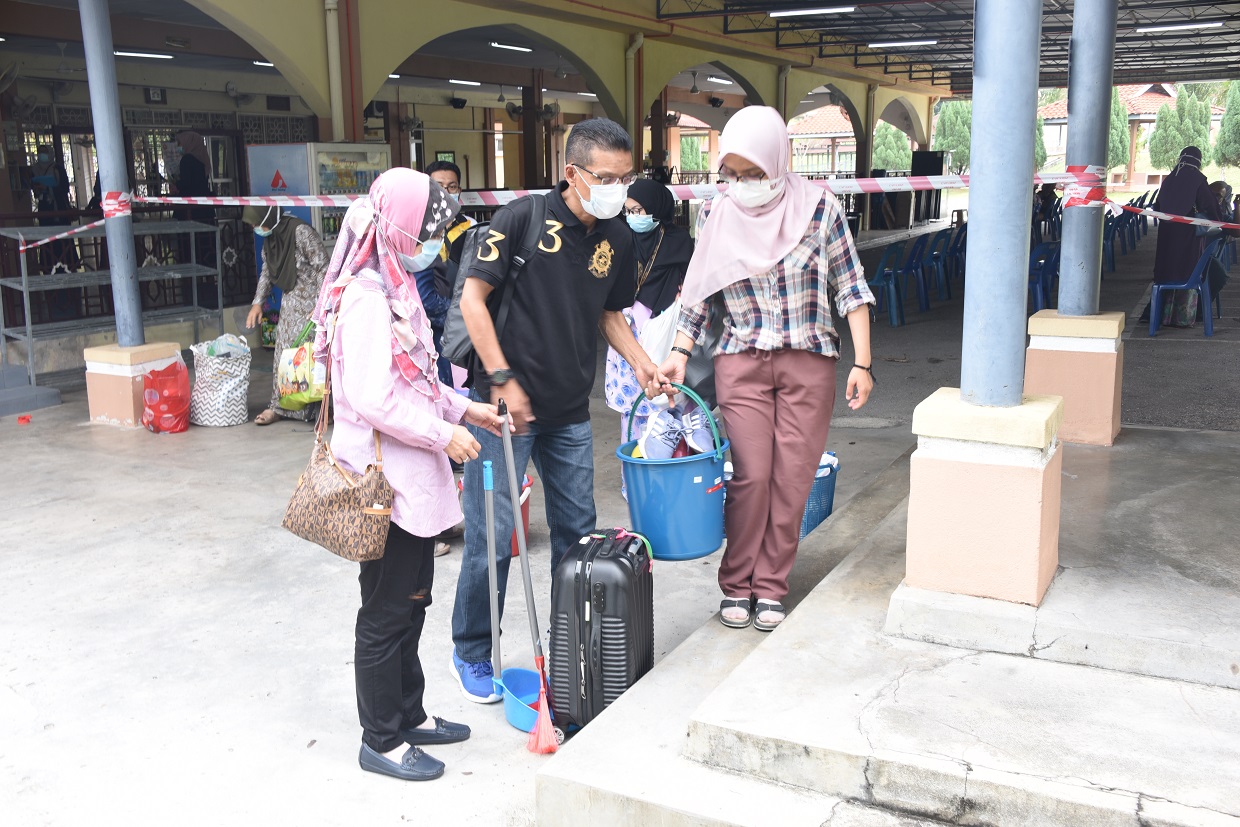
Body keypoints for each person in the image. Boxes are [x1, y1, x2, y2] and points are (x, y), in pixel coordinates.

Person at [448, 118, 666, 702]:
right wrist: (501, 379)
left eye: (626, 178)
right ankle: (473, 649)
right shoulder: (519, 219)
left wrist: (643, 364)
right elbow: (473, 300)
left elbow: (609, 314)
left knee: (577, 537)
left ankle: (570, 649)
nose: (619, 189)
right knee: (493, 535)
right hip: (503, 414)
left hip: (569, 412)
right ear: (572, 173)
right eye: (607, 178)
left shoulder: (618, 238)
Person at [308, 168, 506, 782]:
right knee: (387, 611)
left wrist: (464, 408)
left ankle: (409, 713)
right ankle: (381, 738)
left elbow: (416, 379)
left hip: (412, 481)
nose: (433, 242)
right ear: (398, 227)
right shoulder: (367, 299)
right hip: (384, 486)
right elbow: (374, 399)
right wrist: (444, 434)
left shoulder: (395, 283)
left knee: (413, 602)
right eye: (428, 230)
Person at [658, 106, 876, 632]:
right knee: (752, 477)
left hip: (809, 362)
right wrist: (680, 353)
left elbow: (851, 287)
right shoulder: (716, 213)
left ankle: (772, 585)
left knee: (792, 479)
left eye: (754, 172)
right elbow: (699, 292)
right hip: (742, 361)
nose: (744, 184)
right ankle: (737, 582)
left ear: (779, 160)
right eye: (732, 173)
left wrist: (863, 363)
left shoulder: (820, 208)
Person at [603, 177, 695, 450]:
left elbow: (692, 282)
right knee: (634, 408)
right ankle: (635, 469)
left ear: (656, 208)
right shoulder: (621, 239)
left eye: (638, 210)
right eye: (628, 211)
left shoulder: (678, 242)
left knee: (670, 401)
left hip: (667, 332)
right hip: (628, 332)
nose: (632, 217)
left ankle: (673, 465)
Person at [243, 205, 330, 426]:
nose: (255, 228)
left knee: (313, 358)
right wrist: (257, 303)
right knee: (285, 357)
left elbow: (323, 267)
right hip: (290, 306)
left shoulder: (300, 232)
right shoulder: (271, 241)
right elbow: (267, 272)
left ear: (268, 217)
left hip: (313, 305)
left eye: (257, 223)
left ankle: (322, 410)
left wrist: (321, 305)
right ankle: (279, 407)